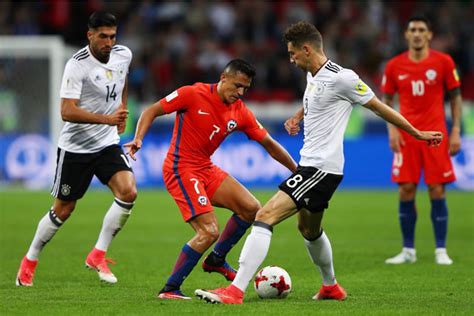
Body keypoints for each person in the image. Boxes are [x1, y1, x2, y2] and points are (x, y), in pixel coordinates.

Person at [194, 21, 443, 304]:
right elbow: (317, 98)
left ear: (307, 49)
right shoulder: (314, 75)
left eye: (292, 53)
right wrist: (298, 116)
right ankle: (331, 288)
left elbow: (378, 106)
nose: (290, 59)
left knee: (264, 217)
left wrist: (416, 133)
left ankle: (235, 290)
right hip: (315, 167)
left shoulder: (343, 78)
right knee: (309, 230)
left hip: (320, 168)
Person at [124, 59, 297, 300]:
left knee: (251, 208)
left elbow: (269, 144)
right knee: (208, 231)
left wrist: (297, 170)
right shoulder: (192, 93)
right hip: (180, 167)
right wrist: (138, 138)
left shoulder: (240, 111)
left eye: (245, 89)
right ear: (223, 78)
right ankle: (170, 289)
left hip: (205, 167)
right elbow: (151, 110)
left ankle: (216, 260)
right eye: (237, 85)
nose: (240, 93)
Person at [16, 11, 137, 286]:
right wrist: (107, 118)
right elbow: (67, 111)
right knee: (64, 209)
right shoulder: (77, 65)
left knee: (128, 191)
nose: (108, 42)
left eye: (112, 36)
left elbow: (123, 78)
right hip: (76, 147)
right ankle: (30, 259)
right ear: (90, 36)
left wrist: (122, 107)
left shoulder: (123, 55)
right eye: (103, 37)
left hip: (106, 142)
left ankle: (98, 254)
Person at [382, 16, 462, 265]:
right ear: (406, 35)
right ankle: (408, 250)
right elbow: (386, 101)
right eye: (412, 30)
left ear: (429, 35)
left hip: (436, 135)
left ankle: (440, 250)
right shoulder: (394, 65)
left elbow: (455, 97)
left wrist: (457, 129)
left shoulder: (444, 62)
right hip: (406, 136)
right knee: (406, 189)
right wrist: (392, 131)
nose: (417, 34)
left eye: (421, 30)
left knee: (437, 189)